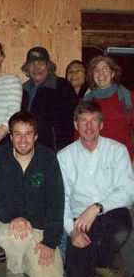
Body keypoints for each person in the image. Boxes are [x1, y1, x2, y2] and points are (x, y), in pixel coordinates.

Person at [57, 100, 134, 277]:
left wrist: (96, 207)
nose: (89, 126)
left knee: (118, 229)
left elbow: (128, 191)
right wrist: (72, 231)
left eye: (94, 120)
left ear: (101, 125)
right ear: (76, 124)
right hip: (80, 221)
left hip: (111, 214)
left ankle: (101, 262)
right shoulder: (64, 156)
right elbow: (63, 199)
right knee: (76, 271)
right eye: (84, 120)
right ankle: (101, 264)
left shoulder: (117, 150)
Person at [0, 111, 64, 277]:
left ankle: (26, 261)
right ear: (10, 137)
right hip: (8, 222)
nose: (23, 141)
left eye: (28, 134)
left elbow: (56, 202)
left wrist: (50, 242)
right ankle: (15, 270)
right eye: (18, 134)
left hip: (39, 228)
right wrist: (14, 216)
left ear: (36, 136)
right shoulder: (0, 157)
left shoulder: (48, 159)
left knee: (53, 274)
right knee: (18, 238)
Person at [21, 46, 78, 151]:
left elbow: (72, 121)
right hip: (26, 149)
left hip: (56, 150)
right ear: (27, 68)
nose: (36, 67)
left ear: (48, 66)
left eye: (40, 63)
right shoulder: (22, 90)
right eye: (31, 64)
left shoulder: (62, 86)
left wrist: (63, 149)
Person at [84, 55, 134, 160]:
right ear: (92, 75)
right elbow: (79, 133)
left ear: (113, 73)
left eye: (105, 69)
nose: (101, 73)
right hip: (95, 159)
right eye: (96, 70)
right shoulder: (86, 101)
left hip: (123, 158)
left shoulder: (128, 97)